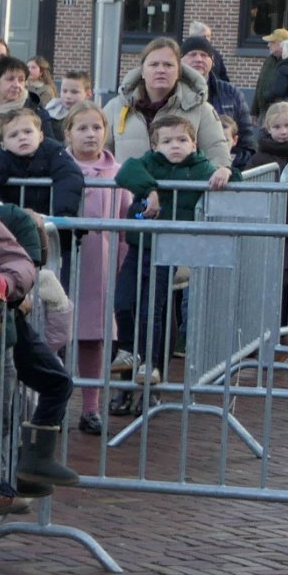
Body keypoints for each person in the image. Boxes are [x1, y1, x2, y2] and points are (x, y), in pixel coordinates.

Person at [113, 111, 218, 386]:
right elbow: (126, 170)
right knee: (122, 301)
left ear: (194, 144)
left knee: (152, 309)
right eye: (167, 141)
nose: (175, 146)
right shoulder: (149, 162)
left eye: (182, 140)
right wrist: (150, 190)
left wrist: (227, 171)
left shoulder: (201, 167)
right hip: (139, 245)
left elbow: (235, 179)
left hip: (168, 249)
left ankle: (152, 363)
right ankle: (128, 349)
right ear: (155, 146)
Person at [63, 104, 129, 433]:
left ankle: (90, 408)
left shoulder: (119, 173)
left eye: (96, 128)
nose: (90, 134)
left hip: (100, 266)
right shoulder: (57, 167)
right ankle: (51, 407)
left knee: (93, 337)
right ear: (68, 133)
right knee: (55, 336)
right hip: (63, 262)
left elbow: (129, 219)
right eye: (82, 128)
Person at [111, 37, 235, 174]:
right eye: (154, 64)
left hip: (182, 187)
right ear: (142, 71)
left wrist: (218, 174)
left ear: (179, 71)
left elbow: (217, 153)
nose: (161, 70)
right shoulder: (116, 107)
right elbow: (100, 154)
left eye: (168, 65)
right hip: (127, 187)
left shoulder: (201, 109)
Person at [0, 105, 84, 215]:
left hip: (51, 219)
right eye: (13, 135)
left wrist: (63, 214)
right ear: (3, 145)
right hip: (16, 221)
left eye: (28, 131)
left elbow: (69, 176)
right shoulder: (2, 157)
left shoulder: (53, 151)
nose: (22, 137)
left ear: (40, 136)